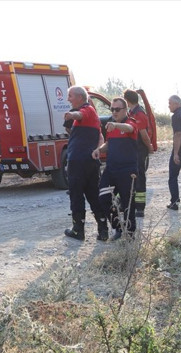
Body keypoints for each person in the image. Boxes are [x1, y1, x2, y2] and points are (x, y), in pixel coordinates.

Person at [63, 86, 108, 241]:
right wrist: (97, 150)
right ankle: (103, 230)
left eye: (70, 96)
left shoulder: (87, 109)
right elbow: (99, 136)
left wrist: (71, 115)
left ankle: (78, 230)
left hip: (78, 162)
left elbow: (79, 114)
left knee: (76, 195)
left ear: (80, 97)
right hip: (89, 161)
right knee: (93, 195)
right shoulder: (91, 116)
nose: (68, 99)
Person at [94, 97, 138, 239]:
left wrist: (116, 125)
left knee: (128, 203)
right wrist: (99, 150)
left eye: (117, 109)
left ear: (125, 110)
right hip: (111, 169)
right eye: (112, 109)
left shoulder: (130, 122)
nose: (114, 112)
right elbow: (108, 143)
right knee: (103, 198)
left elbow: (129, 128)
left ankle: (130, 235)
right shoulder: (110, 125)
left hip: (127, 171)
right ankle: (118, 228)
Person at [123, 90, 153, 217]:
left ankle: (140, 208)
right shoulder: (131, 113)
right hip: (132, 149)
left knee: (139, 178)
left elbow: (144, 135)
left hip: (139, 150)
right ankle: (128, 204)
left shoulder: (139, 114)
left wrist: (149, 146)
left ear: (127, 100)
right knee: (130, 177)